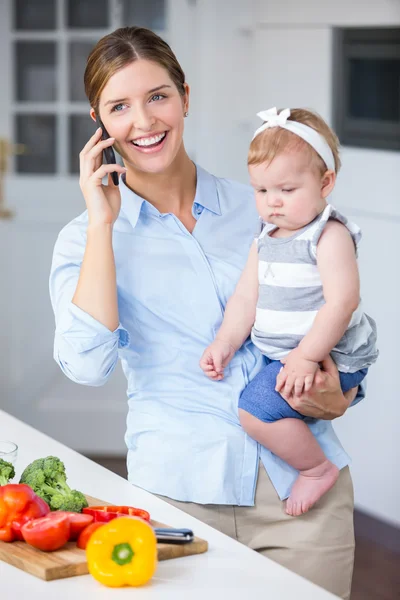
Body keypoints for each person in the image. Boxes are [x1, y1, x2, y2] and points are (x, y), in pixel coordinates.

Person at [49, 26, 363, 599]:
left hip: (300, 495)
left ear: (185, 98)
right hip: (177, 497)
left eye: (158, 96)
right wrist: (101, 222)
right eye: (120, 106)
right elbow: (84, 365)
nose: (143, 122)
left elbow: (342, 317)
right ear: (99, 120)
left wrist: (341, 392)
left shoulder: (269, 204)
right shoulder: (85, 240)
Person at [200, 107, 378, 517]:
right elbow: (246, 298)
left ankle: (316, 469)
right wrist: (226, 341)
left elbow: (342, 302)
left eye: (286, 189)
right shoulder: (265, 239)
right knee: (264, 403)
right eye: (261, 191)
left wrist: (305, 356)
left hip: (332, 354)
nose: (272, 202)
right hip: (291, 355)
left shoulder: (328, 236)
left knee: (255, 411)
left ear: (325, 182)